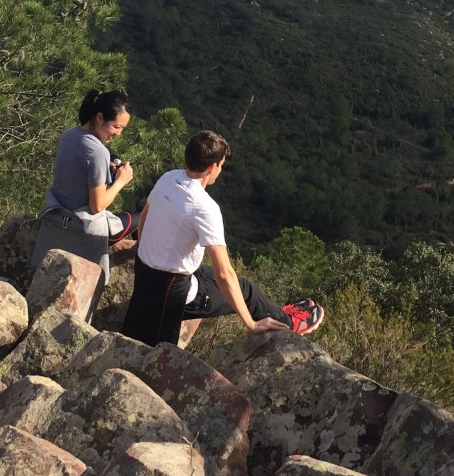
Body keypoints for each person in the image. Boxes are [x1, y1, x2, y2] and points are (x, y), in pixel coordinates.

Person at [122, 129, 323, 346]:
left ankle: (278, 313)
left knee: (229, 281)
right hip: (171, 291)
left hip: (146, 272)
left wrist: (146, 251)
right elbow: (224, 274)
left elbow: (144, 216)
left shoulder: (168, 178)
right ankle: (290, 323)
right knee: (244, 289)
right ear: (212, 167)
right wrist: (251, 324)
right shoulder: (204, 207)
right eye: (221, 165)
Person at [29, 89, 139, 279]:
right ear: (99, 117)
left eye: (122, 128)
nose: (119, 133)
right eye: (116, 126)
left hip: (56, 220)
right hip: (82, 230)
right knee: (143, 216)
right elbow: (97, 206)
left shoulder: (69, 135)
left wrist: (104, 170)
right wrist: (120, 181)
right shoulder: (98, 152)